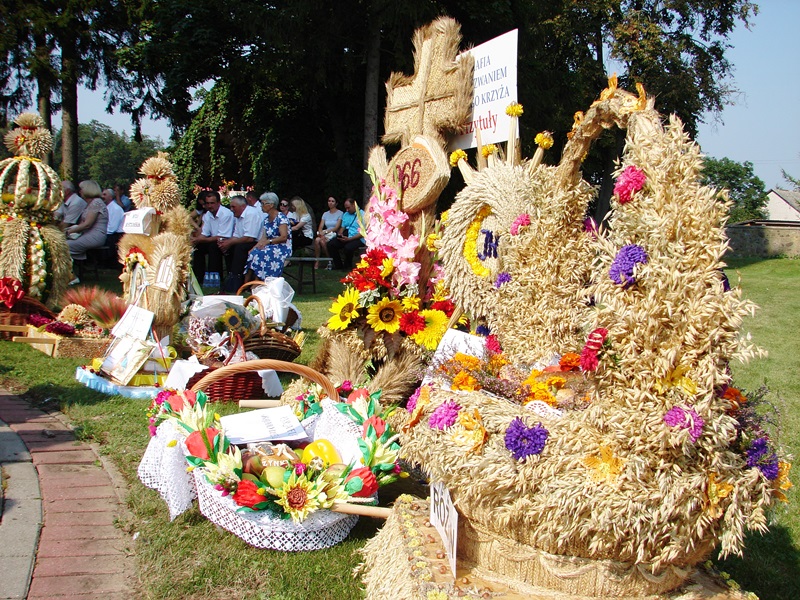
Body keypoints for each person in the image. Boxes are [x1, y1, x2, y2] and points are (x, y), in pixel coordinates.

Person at [219, 195, 262, 292]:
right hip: (245, 241)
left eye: (233, 207)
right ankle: (231, 277)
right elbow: (237, 235)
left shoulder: (251, 214)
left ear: (242, 206)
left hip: (257, 243)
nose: (231, 209)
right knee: (228, 248)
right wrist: (225, 243)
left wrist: (230, 242)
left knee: (239, 247)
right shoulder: (238, 216)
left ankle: (238, 278)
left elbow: (250, 238)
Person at [244, 192, 292, 281]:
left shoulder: (281, 218)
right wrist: (254, 248)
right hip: (270, 246)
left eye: (263, 203)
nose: (261, 206)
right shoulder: (266, 220)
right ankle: (245, 284)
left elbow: (284, 237)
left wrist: (268, 242)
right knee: (252, 253)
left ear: (271, 205)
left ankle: (257, 283)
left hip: (282, 247)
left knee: (262, 254)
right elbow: (263, 238)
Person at [191, 190, 234, 288]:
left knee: (213, 247)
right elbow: (205, 234)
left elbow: (222, 236)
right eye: (208, 203)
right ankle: (199, 277)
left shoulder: (226, 214)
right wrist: (196, 240)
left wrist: (200, 239)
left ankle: (215, 277)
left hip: (227, 241)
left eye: (212, 203)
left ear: (219, 203)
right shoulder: (208, 215)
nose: (210, 206)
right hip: (214, 240)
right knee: (198, 247)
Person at [66, 180, 108, 272]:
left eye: (81, 189)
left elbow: (87, 224)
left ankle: (71, 276)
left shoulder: (96, 203)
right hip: (89, 234)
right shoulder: (90, 203)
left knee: (65, 246)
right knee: (65, 243)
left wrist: (68, 232)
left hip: (96, 236)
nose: (79, 191)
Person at [327, 198, 365, 271]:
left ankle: (347, 266)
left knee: (348, 247)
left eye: (348, 207)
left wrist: (349, 239)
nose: (347, 210)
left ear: (354, 205)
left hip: (358, 237)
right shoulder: (346, 214)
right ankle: (338, 265)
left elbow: (362, 233)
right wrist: (340, 234)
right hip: (347, 234)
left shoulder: (363, 215)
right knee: (331, 244)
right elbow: (343, 227)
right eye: (346, 208)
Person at [313, 196, 343, 269]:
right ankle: (317, 261)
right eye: (329, 201)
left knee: (323, 242)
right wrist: (321, 233)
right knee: (317, 240)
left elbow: (336, 227)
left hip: (333, 233)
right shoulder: (325, 214)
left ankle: (330, 261)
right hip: (325, 233)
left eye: (333, 201)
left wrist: (326, 232)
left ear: (336, 203)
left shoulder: (340, 213)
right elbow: (320, 226)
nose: (330, 203)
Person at [102, 188, 125, 266]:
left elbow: (112, 228)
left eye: (105, 194)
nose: (102, 196)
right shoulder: (107, 207)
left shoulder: (115, 209)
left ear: (110, 197)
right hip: (110, 233)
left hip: (116, 236)